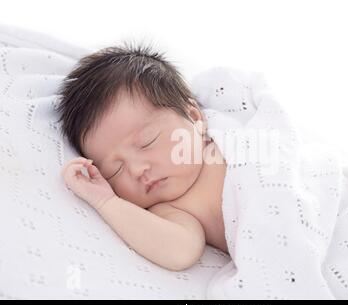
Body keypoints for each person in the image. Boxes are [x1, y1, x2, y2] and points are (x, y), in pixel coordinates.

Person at [57, 43, 229, 272]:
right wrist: (105, 201)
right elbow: (179, 252)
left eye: (147, 142)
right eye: (114, 170)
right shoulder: (170, 209)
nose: (137, 170)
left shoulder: (230, 139)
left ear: (193, 116)